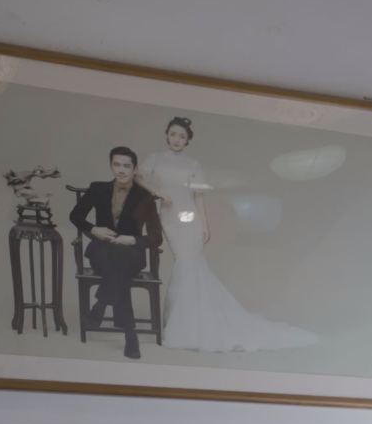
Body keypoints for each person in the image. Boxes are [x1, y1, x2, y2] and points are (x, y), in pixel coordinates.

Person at [140, 117, 316, 353]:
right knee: (186, 266)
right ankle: (184, 323)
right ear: (167, 134)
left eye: (182, 136)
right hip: (170, 218)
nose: (176, 140)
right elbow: (137, 177)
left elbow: (198, 195)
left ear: (188, 140)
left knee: (189, 267)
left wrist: (205, 225)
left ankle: (188, 326)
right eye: (173, 134)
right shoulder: (155, 159)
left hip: (190, 220)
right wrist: (159, 193)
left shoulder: (192, 164)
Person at [68, 146, 165, 358]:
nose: (121, 170)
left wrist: (133, 239)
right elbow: (75, 216)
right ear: (110, 166)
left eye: (127, 166)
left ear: (135, 168)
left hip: (132, 255)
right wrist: (93, 229)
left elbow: (156, 237)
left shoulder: (144, 197)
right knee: (118, 268)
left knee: (120, 258)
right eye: (117, 165)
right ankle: (130, 335)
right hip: (101, 253)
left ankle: (100, 306)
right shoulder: (98, 189)